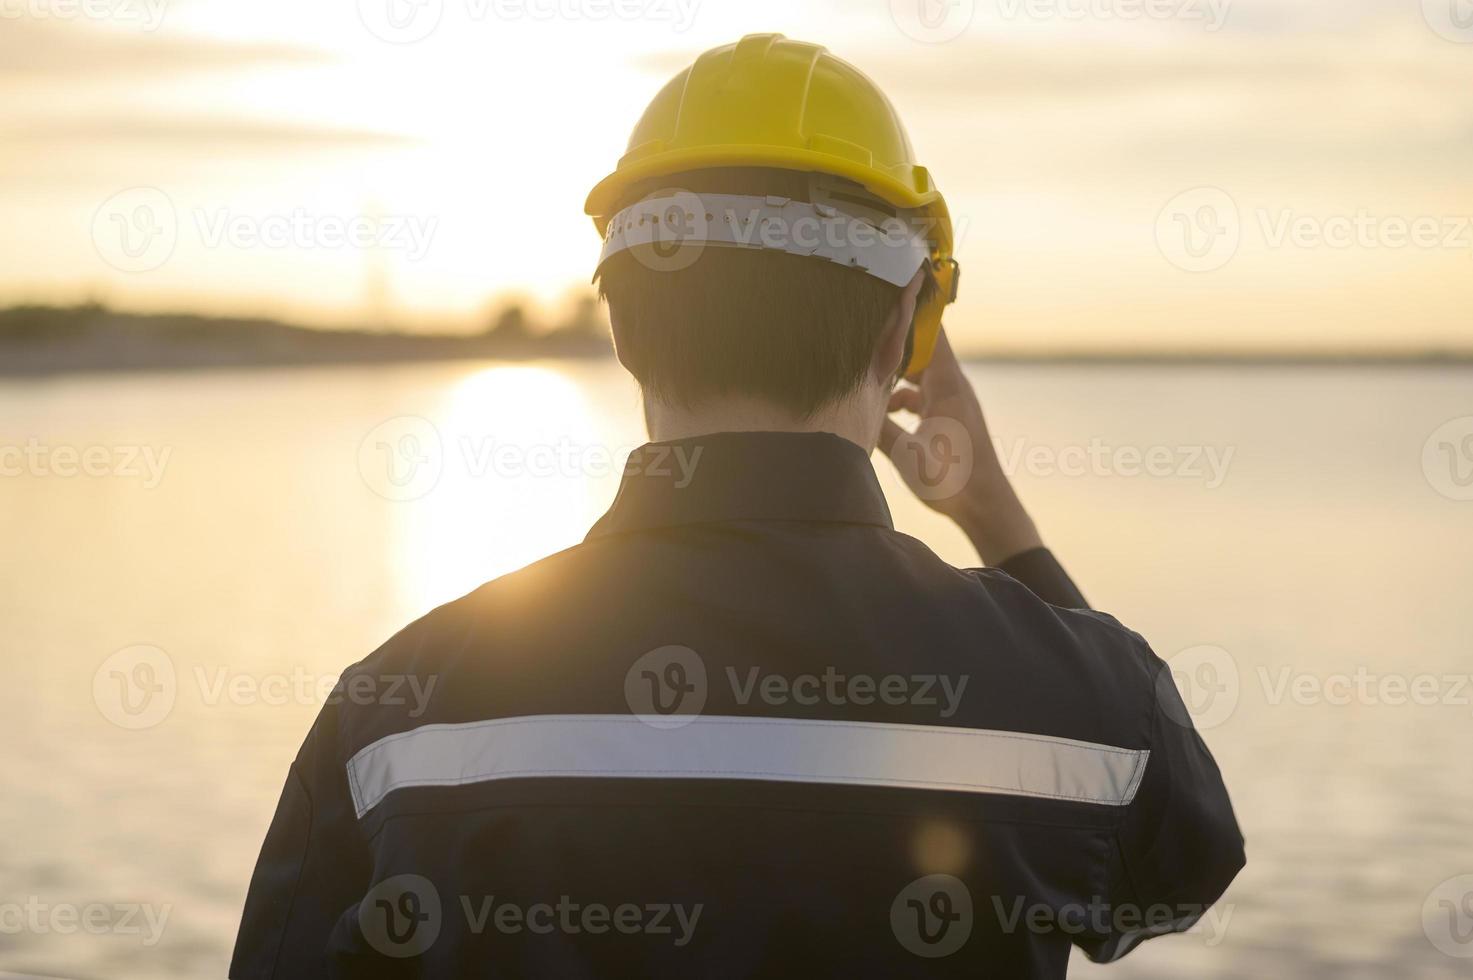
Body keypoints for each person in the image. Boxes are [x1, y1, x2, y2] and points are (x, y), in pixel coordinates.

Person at [230, 33, 1243, 978]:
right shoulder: (1079, 705)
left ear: (623, 320)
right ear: (907, 327)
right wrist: (999, 522)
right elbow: (1175, 875)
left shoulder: (396, 715)